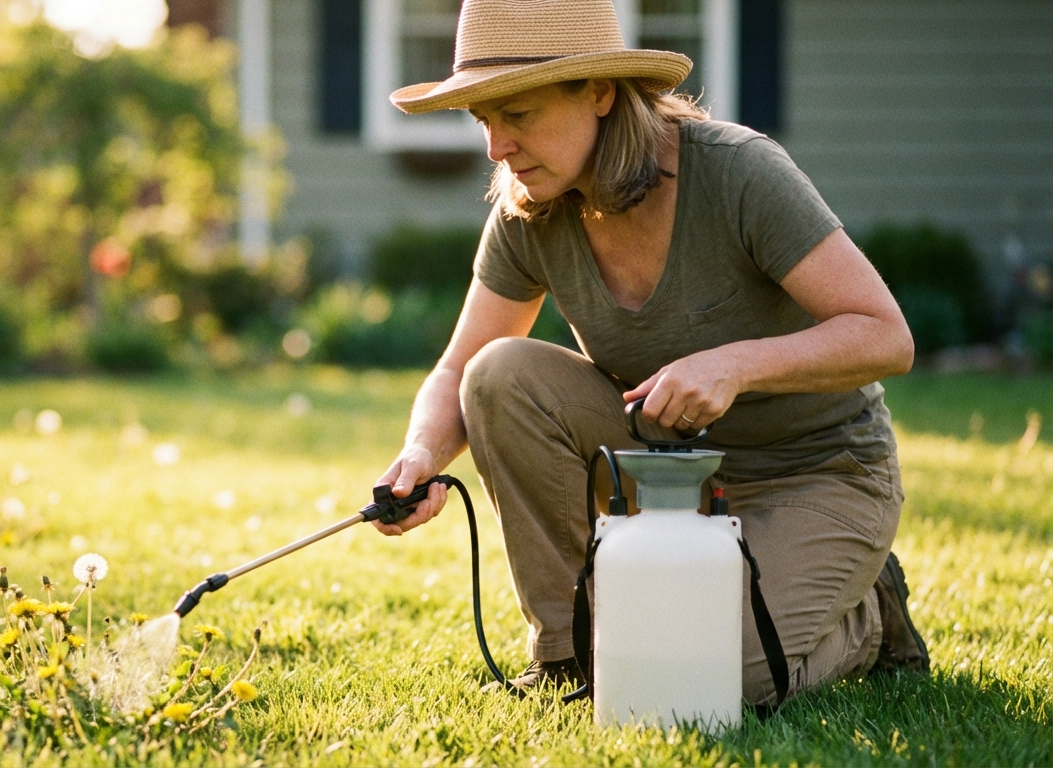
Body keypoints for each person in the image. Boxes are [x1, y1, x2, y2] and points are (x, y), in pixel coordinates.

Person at [370, 0, 930, 704]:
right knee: (498, 376)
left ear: (600, 92)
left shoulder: (738, 173)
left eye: (519, 114)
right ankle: (568, 656)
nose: (496, 147)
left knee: (711, 679)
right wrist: (421, 454)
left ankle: (869, 619)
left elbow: (886, 335)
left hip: (816, 472)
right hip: (665, 467)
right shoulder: (528, 209)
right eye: (484, 120)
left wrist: (735, 364)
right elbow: (458, 370)